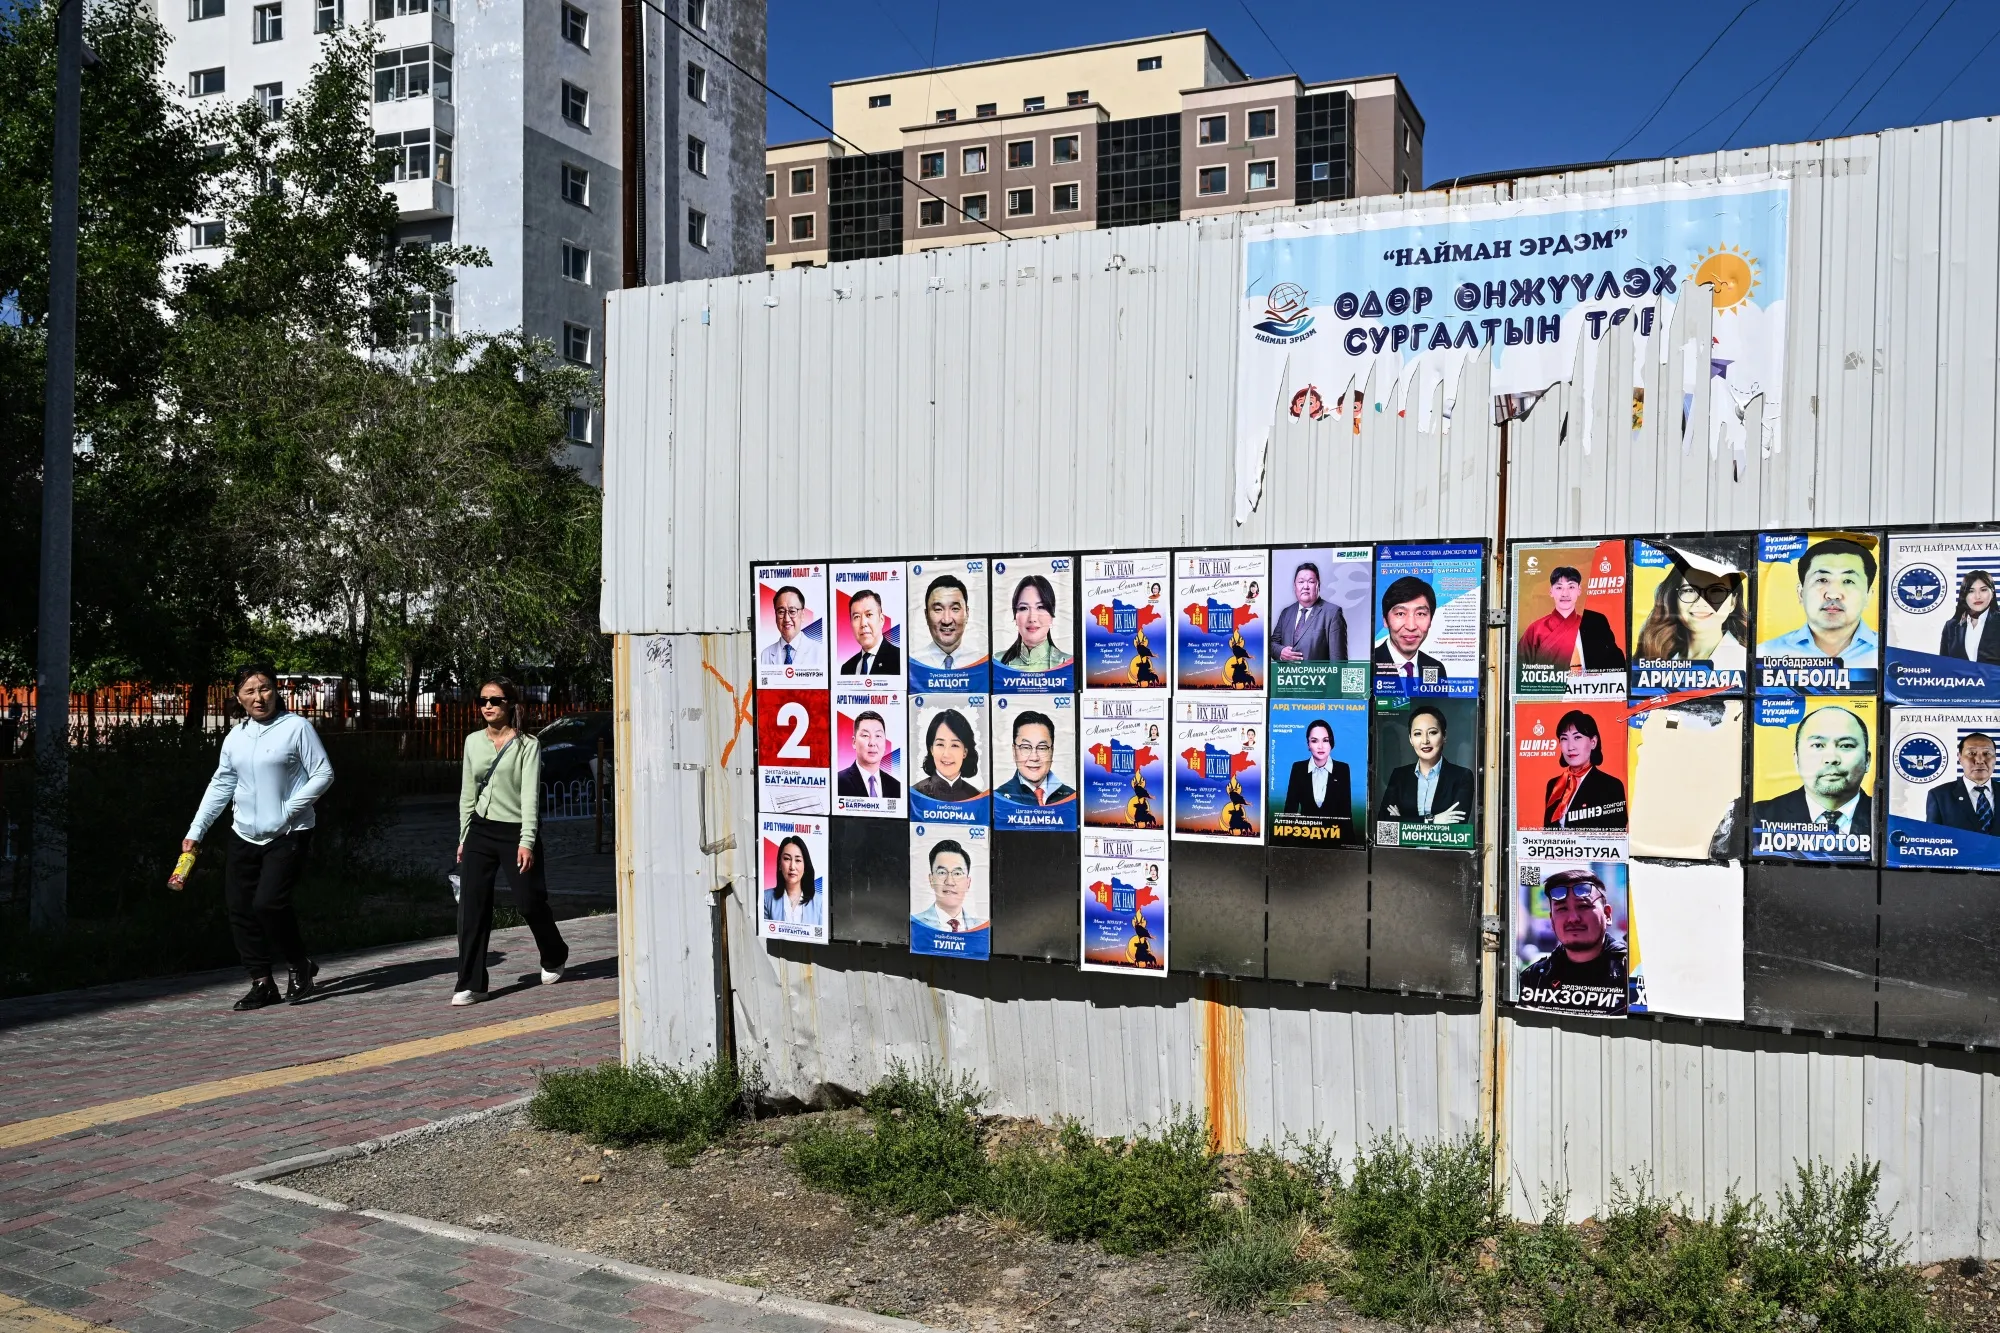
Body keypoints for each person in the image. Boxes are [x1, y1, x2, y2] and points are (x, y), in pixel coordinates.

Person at [184, 663, 334, 1011]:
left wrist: (287, 810)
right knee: (240, 908)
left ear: (276, 690)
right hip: (244, 833)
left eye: (265, 688)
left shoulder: (296, 728)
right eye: (250, 691)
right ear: (238, 697)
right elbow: (222, 784)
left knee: (268, 903)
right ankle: (262, 982)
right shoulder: (236, 736)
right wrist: (196, 830)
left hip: (288, 832)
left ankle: (298, 965)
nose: (259, 697)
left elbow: (323, 773)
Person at [453, 679, 570, 1006]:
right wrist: (464, 837)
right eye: (482, 700)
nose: (487, 706)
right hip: (480, 831)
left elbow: (530, 797)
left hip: (515, 832)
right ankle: (471, 983)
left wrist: (527, 841)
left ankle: (554, 952)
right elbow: (467, 794)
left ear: (511, 705)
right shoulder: (472, 742)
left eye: (495, 700)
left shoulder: (527, 745)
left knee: (528, 902)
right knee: (471, 907)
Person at [1749, 704, 1873, 834]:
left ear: (1867, 760)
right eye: (1817, 745)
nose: (1831, 758)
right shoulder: (1759, 817)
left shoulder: (1890, 819)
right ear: (1796, 760)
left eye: (1846, 745)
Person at [1755, 537, 1879, 664]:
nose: (1833, 594)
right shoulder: (1766, 653)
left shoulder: (1886, 653)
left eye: (1848, 581)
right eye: (1822, 580)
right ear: (1801, 593)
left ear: (1868, 596)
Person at [1517, 870, 1628, 997]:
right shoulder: (1534, 979)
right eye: (1562, 908)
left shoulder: (1632, 972)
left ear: (1607, 914)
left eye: (1583, 906)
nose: (1573, 918)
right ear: (1552, 920)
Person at [1635, 553, 1748, 669]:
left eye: (1716, 590)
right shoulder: (1654, 656)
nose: (1701, 602)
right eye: (1689, 590)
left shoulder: (1744, 662)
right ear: (1673, 598)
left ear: (1733, 603)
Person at [1373, 705, 1474, 827]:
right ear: (1410, 739)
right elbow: (1385, 823)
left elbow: (1457, 824)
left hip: (1442, 846)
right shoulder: (1399, 775)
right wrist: (1433, 820)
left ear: (1444, 736)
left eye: (1432, 732)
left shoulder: (1462, 776)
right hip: (1402, 847)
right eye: (1417, 734)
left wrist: (1401, 819)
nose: (1425, 741)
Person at [1518, 566, 1627, 671]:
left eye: (1571, 587)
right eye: (1559, 587)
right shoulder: (1536, 630)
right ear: (1551, 591)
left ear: (1579, 590)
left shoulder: (1596, 622)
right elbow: (1521, 670)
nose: (1565, 594)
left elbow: (1617, 664)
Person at [1541, 710, 1628, 830]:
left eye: (1577, 737)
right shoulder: (1554, 785)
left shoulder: (1611, 786)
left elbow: (1616, 834)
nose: (1570, 747)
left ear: (1593, 742)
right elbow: (1548, 832)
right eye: (1564, 739)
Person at [1373, 576, 1449, 683]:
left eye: (1420, 614)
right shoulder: (1370, 665)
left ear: (1430, 620)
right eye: (1400, 613)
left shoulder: (1437, 668)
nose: (1411, 626)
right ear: (1385, 620)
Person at [1272, 561, 1348, 663]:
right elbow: (1272, 643)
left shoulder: (1332, 613)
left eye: (1311, 582)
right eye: (1301, 582)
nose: (1305, 586)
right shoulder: (1286, 613)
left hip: (1318, 678)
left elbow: (1338, 662)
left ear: (1318, 585)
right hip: (1287, 678)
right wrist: (1280, 652)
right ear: (1295, 586)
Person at [1283, 718, 1354, 825]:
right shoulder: (1298, 768)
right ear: (1308, 744)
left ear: (1331, 742)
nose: (1320, 746)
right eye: (1314, 741)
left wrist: (1350, 842)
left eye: (1325, 740)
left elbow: (1346, 813)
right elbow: (1289, 811)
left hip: (1334, 836)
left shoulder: (1342, 769)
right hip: (1304, 835)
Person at [995, 710, 1074, 805]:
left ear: (1052, 751)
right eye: (1026, 747)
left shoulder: (1072, 798)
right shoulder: (998, 799)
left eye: (1042, 748)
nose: (1034, 757)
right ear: (1014, 751)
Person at [1924, 731, 1997, 833]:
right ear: (1960, 758)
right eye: (1971, 753)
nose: (1980, 760)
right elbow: (1932, 839)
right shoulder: (1939, 796)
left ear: (1995, 758)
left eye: (1987, 753)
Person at [1000, 574, 1072, 671]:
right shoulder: (996, 662)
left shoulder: (1069, 664)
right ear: (1015, 617)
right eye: (1023, 608)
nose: (1032, 618)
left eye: (1041, 607)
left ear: (1051, 616)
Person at [913, 839, 985, 932]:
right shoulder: (915, 924)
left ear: (968, 883)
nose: (950, 881)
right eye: (942, 872)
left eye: (957, 873)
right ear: (931, 880)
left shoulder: (981, 928)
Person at [912, 708, 981, 801]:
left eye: (955, 745)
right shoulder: (915, 794)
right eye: (940, 744)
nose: (946, 754)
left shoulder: (978, 797)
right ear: (931, 749)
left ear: (965, 752)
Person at [911, 574, 976, 670]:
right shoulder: (913, 664)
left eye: (955, 609)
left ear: (967, 613)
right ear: (926, 615)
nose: (947, 620)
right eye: (938, 609)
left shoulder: (981, 663)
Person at [764, 834, 825, 929]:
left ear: (805, 866)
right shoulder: (766, 899)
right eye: (787, 859)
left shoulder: (820, 902)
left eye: (798, 860)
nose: (792, 867)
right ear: (780, 864)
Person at [837, 710, 902, 798]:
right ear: (854, 742)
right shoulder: (838, 782)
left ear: (885, 742)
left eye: (878, 736)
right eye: (865, 735)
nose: (872, 743)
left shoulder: (896, 786)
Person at [839, 588, 903, 676]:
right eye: (857, 617)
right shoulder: (847, 668)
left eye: (869, 615)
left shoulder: (900, 659)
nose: (863, 623)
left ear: (881, 620)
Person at [1940, 570, 2000, 663]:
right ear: (1964, 595)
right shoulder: (1951, 626)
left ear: (1992, 593)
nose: (1977, 596)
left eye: (1983, 590)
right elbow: (1944, 666)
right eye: (1971, 591)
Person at [759, 585, 823, 669]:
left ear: (803, 615)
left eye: (792, 611)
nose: (787, 618)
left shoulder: (819, 652)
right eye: (781, 612)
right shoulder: (765, 655)